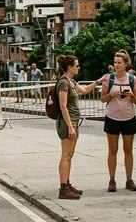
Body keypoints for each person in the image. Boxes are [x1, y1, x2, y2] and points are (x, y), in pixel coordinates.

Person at [55, 55, 105, 200]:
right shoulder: (63, 83)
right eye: (76, 65)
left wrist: (98, 81)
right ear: (70, 67)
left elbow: (84, 90)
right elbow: (63, 106)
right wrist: (70, 126)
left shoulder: (71, 81)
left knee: (70, 155)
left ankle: (67, 184)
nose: (79, 67)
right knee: (66, 155)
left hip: (74, 121)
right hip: (68, 122)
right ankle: (63, 188)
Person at [100, 49, 136, 193]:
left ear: (126, 64)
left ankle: (129, 179)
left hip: (128, 117)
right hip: (112, 117)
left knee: (128, 149)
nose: (116, 65)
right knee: (112, 150)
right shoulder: (109, 79)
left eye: (119, 63)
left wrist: (131, 96)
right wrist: (110, 94)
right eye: (115, 62)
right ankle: (112, 179)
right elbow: (102, 98)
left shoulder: (133, 80)